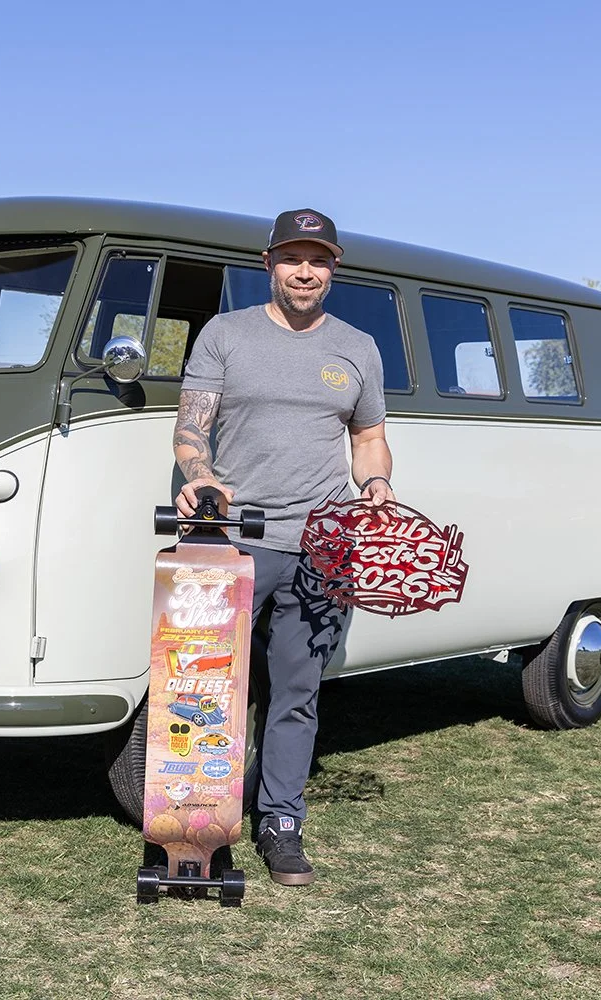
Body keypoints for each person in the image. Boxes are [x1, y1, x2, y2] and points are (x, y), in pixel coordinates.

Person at [173, 208, 394, 886]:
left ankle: (281, 823)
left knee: (296, 690)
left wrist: (378, 482)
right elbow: (190, 430)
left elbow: (368, 438)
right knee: (206, 685)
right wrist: (199, 475)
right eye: (293, 258)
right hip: (233, 540)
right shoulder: (226, 333)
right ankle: (194, 821)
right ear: (267, 263)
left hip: (323, 544)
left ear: (333, 269)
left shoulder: (357, 347)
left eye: (318, 260)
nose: (305, 271)